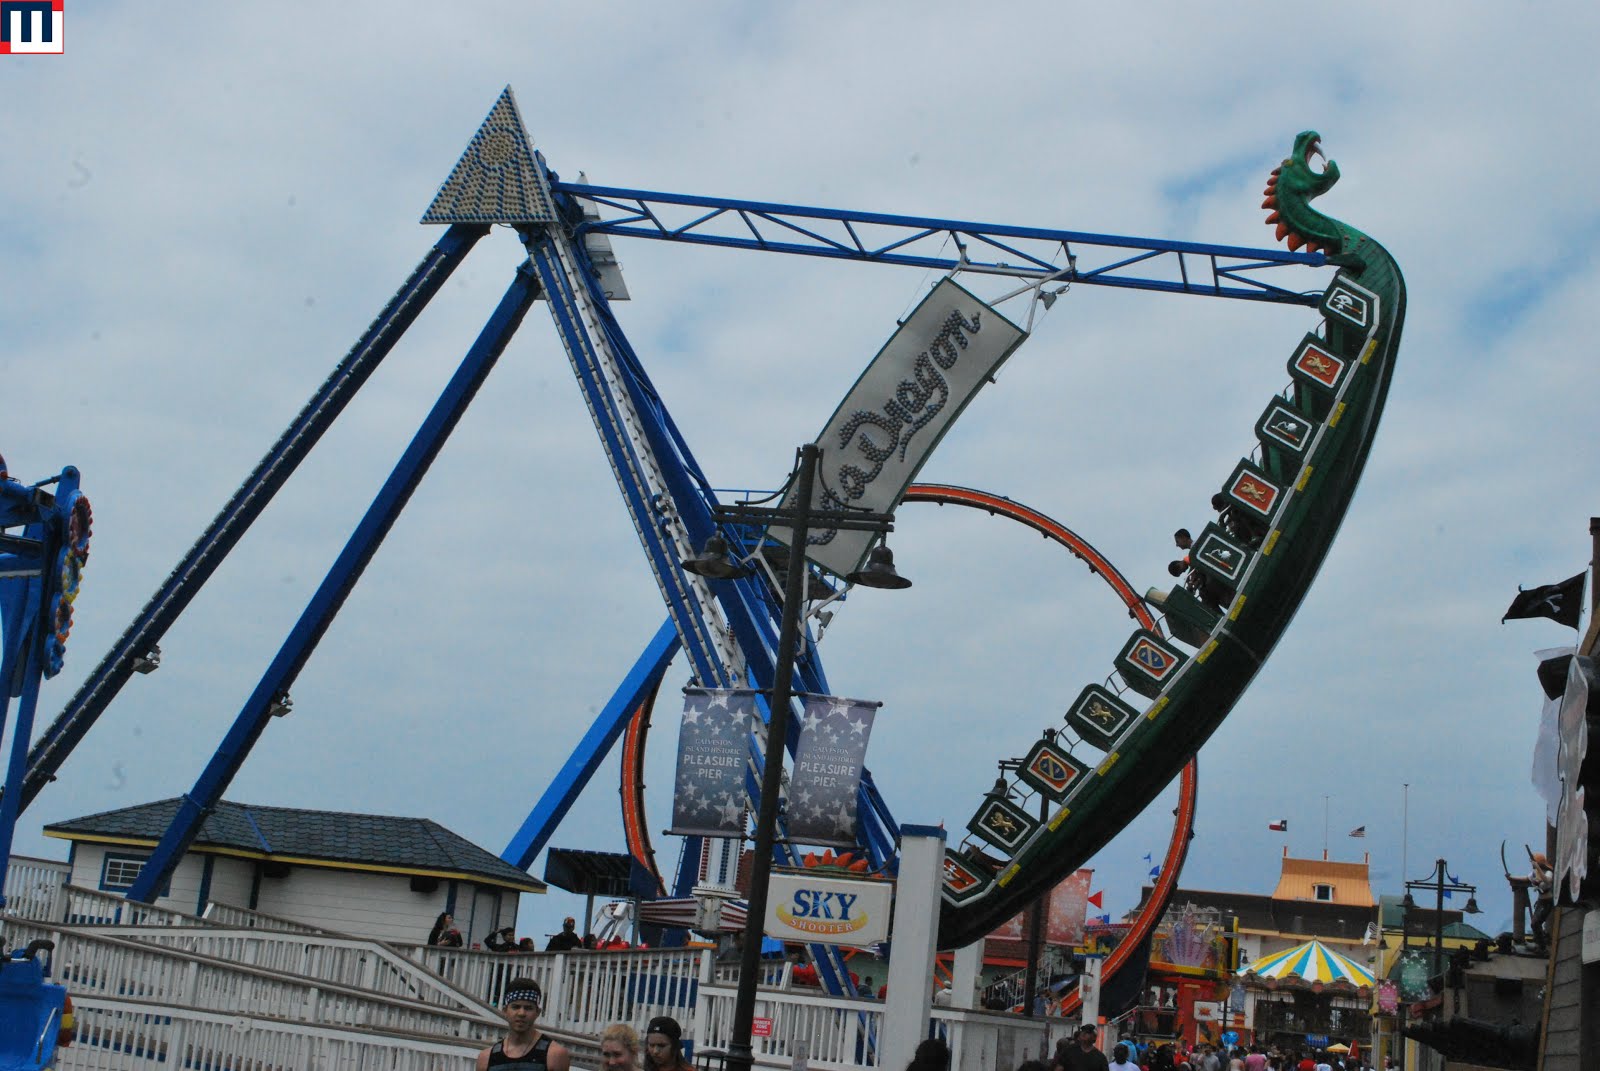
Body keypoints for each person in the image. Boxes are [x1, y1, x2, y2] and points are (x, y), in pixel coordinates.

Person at [476, 978, 571, 1071]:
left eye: (528, 1008)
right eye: (516, 1007)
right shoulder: (486, 1059)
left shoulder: (554, 1055)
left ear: (537, 1012)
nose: (521, 1013)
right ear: (505, 1011)